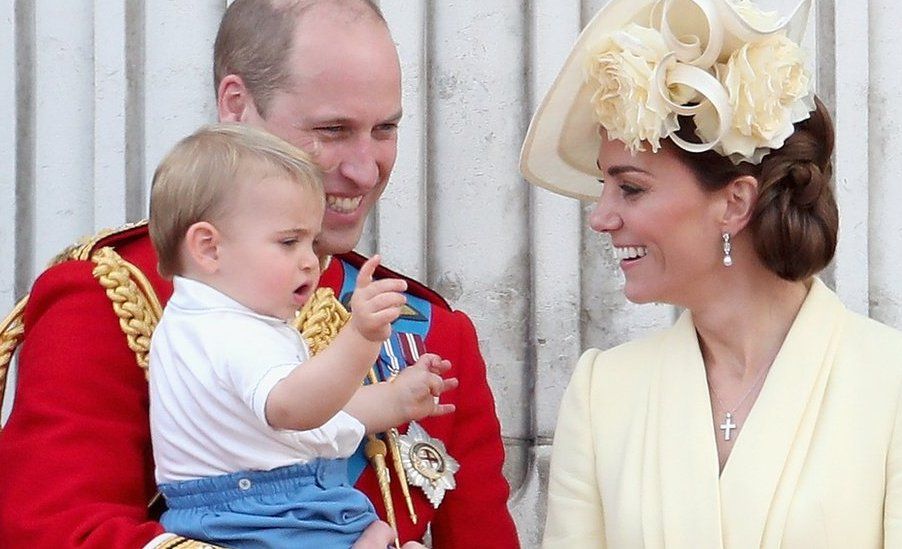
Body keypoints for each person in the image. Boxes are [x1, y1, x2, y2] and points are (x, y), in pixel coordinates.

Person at [0, 1, 519, 547]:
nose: (366, 169)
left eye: (385, 128)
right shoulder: (112, 299)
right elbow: (52, 533)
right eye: (332, 129)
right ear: (237, 105)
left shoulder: (429, 330)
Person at [520, 0, 902, 547]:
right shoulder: (602, 392)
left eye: (631, 188)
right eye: (604, 187)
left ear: (735, 202)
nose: (600, 217)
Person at [147, 124, 454, 548]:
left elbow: (314, 413)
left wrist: (396, 400)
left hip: (249, 509)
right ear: (209, 248)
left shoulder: (196, 321)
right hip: (265, 515)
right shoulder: (232, 332)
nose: (311, 261)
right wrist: (360, 338)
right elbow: (295, 409)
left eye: (311, 242)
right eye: (289, 241)